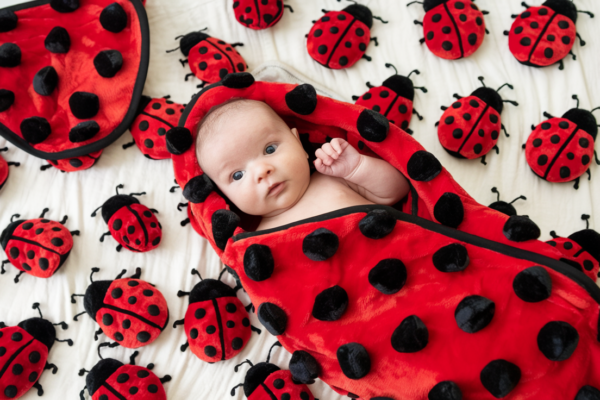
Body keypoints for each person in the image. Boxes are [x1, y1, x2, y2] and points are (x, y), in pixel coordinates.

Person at [195, 98, 410, 231]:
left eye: (270, 149)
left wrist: (357, 168)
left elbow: (397, 191)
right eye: (237, 175)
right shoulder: (255, 244)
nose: (261, 171)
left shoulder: (336, 179)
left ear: (297, 142)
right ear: (224, 195)